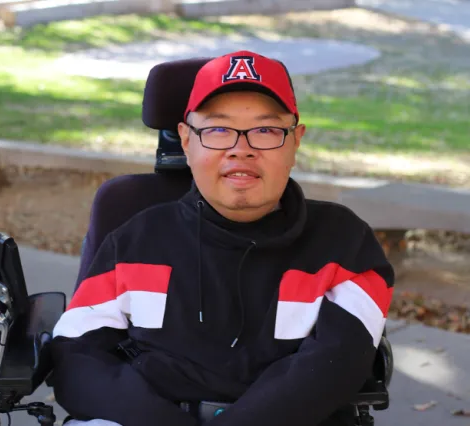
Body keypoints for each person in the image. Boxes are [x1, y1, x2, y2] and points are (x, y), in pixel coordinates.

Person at [50, 50, 395, 426]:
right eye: (217, 129)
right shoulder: (135, 238)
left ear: (295, 141)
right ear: (186, 139)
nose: (240, 148)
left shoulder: (345, 242)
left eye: (266, 130)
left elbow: (337, 365)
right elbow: (77, 356)